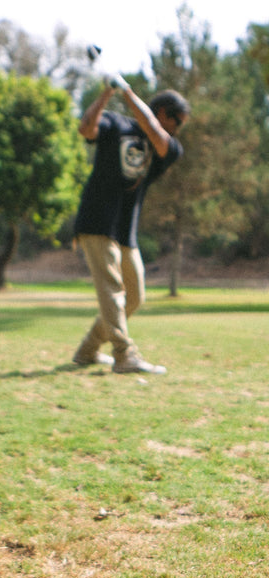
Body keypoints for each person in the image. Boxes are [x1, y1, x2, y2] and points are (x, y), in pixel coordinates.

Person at [72, 77, 189, 374]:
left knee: (134, 296)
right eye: (176, 120)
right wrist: (106, 94)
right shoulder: (115, 123)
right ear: (163, 111)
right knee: (112, 291)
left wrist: (126, 91)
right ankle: (124, 355)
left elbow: (156, 135)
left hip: (126, 228)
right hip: (96, 219)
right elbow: (86, 128)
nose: (177, 128)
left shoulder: (168, 147)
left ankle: (88, 350)